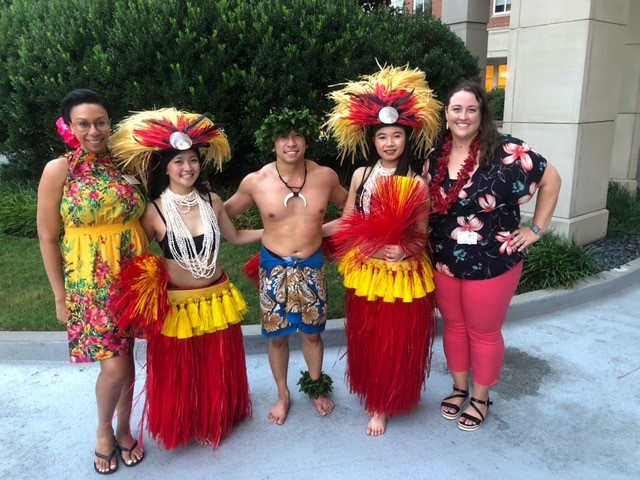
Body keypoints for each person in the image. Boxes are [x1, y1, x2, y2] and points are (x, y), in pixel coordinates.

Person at [107, 108, 260, 449]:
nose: (188, 167)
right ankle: (188, 420)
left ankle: (216, 416)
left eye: (192, 160)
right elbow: (134, 254)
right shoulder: (153, 211)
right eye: (178, 162)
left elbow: (234, 237)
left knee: (216, 365)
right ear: (164, 167)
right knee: (182, 370)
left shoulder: (212, 200)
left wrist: (276, 233)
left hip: (216, 295)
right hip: (176, 303)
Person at [423, 81, 562, 431]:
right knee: (453, 327)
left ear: (482, 113)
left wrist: (536, 230)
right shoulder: (435, 156)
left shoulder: (508, 151)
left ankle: (481, 396)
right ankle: (459, 387)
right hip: (444, 259)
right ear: (446, 114)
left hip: (493, 260)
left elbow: (552, 179)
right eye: (457, 109)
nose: (463, 116)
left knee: (483, 332)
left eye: (471, 109)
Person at [324, 65, 442, 436]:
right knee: (368, 336)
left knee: (397, 340)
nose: (389, 143)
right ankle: (376, 392)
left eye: (396, 136)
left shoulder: (417, 183)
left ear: (407, 138)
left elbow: (423, 236)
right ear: (372, 140)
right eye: (382, 137)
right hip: (366, 269)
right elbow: (347, 220)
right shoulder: (361, 176)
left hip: (401, 274)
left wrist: (405, 250)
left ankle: (384, 402)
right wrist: (303, 233)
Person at [37, 89, 146, 474]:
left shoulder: (126, 163)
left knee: (128, 358)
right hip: (91, 280)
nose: (94, 131)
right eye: (83, 124)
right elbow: (48, 236)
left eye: (100, 122)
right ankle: (103, 431)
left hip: (134, 275)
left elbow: (148, 211)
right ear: (69, 126)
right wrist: (59, 297)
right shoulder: (59, 170)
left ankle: (124, 427)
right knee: (113, 366)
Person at [224, 107, 348, 425]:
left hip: (312, 265)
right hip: (274, 267)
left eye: (297, 136)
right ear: (273, 143)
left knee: (312, 335)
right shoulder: (256, 182)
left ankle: (316, 387)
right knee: (277, 337)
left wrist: (318, 231)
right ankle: (283, 394)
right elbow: (223, 214)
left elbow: (354, 209)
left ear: (306, 142)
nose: (290, 143)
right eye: (283, 137)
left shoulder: (324, 176)